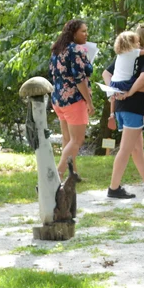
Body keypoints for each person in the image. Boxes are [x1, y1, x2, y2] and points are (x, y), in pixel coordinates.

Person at [103, 23, 144, 199]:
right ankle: (114, 188)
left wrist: (114, 91)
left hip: (120, 107)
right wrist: (129, 92)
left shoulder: (124, 52)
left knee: (137, 147)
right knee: (126, 149)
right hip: (133, 108)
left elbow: (106, 73)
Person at [49, 20, 95, 180]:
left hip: (58, 99)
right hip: (74, 100)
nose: (86, 34)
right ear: (74, 33)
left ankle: (72, 174)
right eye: (83, 31)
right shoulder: (76, 50)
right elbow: (79, 78)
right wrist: (89, 102)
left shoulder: (57, 49)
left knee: (68, 139)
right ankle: (57, 174)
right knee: (77, 140)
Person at [107, 30, 144, 126]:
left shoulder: (120, 54)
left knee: (136, 141)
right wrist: (129, 93)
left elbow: (105, 73)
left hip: (116, 89)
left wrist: (112, 89)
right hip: (133, 105)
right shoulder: (134, 53)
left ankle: (111, 112)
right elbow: (143, 77)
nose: (138, 44)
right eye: (136, 42)